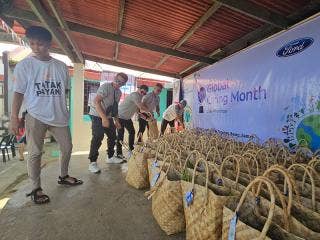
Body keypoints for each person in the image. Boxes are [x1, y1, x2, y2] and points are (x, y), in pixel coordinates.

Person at [10, 26, 83, 205]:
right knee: (35, 152)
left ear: (49, 44)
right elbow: (18, 92)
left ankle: (63, 176)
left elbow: (64, 91)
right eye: (32, 43)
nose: (35, 47)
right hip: (35, 115)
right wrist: (14, 117)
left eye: (40, 44)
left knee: (67, 147)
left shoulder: (61, 67)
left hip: (59, 116)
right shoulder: (25, 65)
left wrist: (61, 109)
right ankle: (36, 187)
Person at [88, 73, 128, 174]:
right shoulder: (106, 87)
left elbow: (115, 108)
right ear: (114, 79)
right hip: (97, 114)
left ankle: (110, 157)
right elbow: (96, 101)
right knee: (98, 136)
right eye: (118, 81)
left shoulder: (118, 92)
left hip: (108, 116)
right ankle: (92, 162)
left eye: (122, 83)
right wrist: (103, 118)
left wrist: (117, 121)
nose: (119, 84)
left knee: (113, 136)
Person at [116, 85, 149, 160]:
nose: (143, 94)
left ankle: (131, 149)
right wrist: (150, 113)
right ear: (138, 89)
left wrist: (145, 117)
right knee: (120, 134)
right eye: (142, 92)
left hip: (127, 118)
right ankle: (119, 153)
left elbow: (137, 110)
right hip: (120, 116)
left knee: (132, 132)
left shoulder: (139, 98)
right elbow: (141, 107)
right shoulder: (134, 95)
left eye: (144, 93)